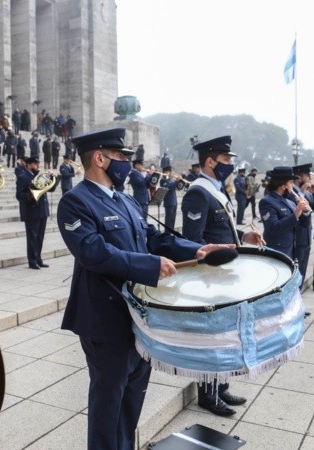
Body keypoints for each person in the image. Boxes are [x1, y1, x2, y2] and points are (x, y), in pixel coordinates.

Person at [57, 128, 229, 450]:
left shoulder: (124, 199)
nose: (127, 163)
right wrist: (149, 266)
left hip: (141, 316)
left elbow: (156, 238)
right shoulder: (75, 202)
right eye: (122, 157)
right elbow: (93, 252)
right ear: (99, 158)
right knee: (109, 401)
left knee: (133, 396)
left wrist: (198, 251)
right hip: (105, 319)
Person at [180, 135, 264, 417]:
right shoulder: (198, 192)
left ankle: (222, 384)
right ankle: (208, 394)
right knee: (214, 336)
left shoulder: (217, 189)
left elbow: (222, 229)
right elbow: (194, 240)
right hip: (211, 275)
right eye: (226, 160)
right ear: (210, 161)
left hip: (227, 272)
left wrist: (244, 235)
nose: (230, 164)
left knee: (228, 333)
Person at [258, 167, 309, 258]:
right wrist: (296, 213)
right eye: (291, 182)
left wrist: (305, 211)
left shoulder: (290, 201)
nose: (292, 185)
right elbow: (273, 227)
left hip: (290, 250)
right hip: (276, 251)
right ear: (283, 185)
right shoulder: (267, 202)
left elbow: (304, 224)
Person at [16, 157, 54, 269]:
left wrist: (51, 178)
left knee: (40, 237)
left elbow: (50, 189)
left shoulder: (40, 176)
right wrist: (31, 196)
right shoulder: (23, 177)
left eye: (38, 164)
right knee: (32, 237)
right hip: (31, 211)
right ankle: (32, 260)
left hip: (42, 210)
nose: (38, 166)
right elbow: (19, 195)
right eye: (35, 164)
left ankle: (38, 258)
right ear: (28, 165)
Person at [289, 163, 314, 282]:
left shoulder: (305, 191)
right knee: (297, 269)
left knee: (303, 268)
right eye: (307, 176)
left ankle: (299, 294)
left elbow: (312, 204)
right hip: (298, 235)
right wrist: (301, 193)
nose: (310, 179)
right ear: (300, 177)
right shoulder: (292, 191)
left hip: (306, 235)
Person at [158, 165, 179, 229]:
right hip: (169, 202)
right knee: (168, 221)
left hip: (174, 202)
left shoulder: (171, 179)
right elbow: (169, 187)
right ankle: (167, 235)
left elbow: (176, 187)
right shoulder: (163, 180)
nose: (168, 173)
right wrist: (176, 181)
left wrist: (179, 181)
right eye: (167, 171)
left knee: (173, 220)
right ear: (164, 172)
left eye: (169, 171)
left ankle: (171, 234)